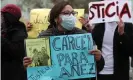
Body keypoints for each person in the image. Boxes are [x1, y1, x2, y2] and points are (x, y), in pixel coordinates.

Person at [23, 1, 104, 80]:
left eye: (73, 13)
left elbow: (97, 68)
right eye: (66, 13)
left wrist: (99, 59)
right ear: (56, 18)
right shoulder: (44, 37)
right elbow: (38, 71)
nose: (71, 16)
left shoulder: (83, 36)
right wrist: (29, 66)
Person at [1, 4, 28, 80]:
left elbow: (17, 51)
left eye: (3, 16)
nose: (1, 19)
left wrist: (1, 40)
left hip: (14, 73)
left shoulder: (19, 31)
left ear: (9, 17)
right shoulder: (5, 29)